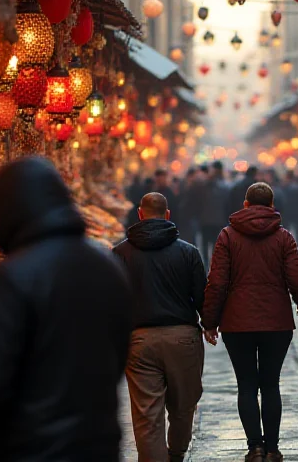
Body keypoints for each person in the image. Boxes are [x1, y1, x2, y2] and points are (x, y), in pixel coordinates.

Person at [0, 157, 132, 461]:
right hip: (99, 444)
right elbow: (117, 357)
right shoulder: (108, 265)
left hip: (31, 449)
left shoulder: (12, 277)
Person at [202, 182, 298, 462]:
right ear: (272, 206)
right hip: (276, 322)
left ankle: (255, 448)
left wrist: (210, 321)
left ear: (246, 204)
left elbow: (217, 282)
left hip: (237, 324)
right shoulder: (283, 237)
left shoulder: (227, 236)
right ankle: (273, 449)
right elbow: (297, 276)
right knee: (271, 383)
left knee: (247, 385)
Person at [113, 192, 206, 462]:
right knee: (183, 406)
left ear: (140, 214)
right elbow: (201, 296)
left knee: (146, 415)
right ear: (167, 215)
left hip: (138, 340)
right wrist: (210, 324)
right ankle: (176, 453)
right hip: (183, 338)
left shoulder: (120, 253)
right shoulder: (188, 252)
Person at [199, 161, 228, 269]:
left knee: (206, 245)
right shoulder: (225, 186)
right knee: (216, 245)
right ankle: (215, 266)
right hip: (218, 221)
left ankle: (207, 265)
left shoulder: (203, 186)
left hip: (206, 221)